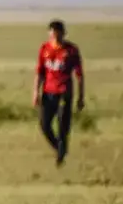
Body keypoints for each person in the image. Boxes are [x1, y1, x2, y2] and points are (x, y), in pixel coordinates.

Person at [33, 19, 85, 165]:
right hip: (48, 92)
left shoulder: (71, 50)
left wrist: (81, 97)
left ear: (63, 34)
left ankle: (60, 158)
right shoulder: (44, 49)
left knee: (63, 124)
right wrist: (35, 92)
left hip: (64, 92)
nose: (55, 38)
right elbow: (39, 72)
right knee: (44, 124)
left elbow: (79, 75)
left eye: (58, 35)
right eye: (52, 35)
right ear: (49, 34)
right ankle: (60, 148)